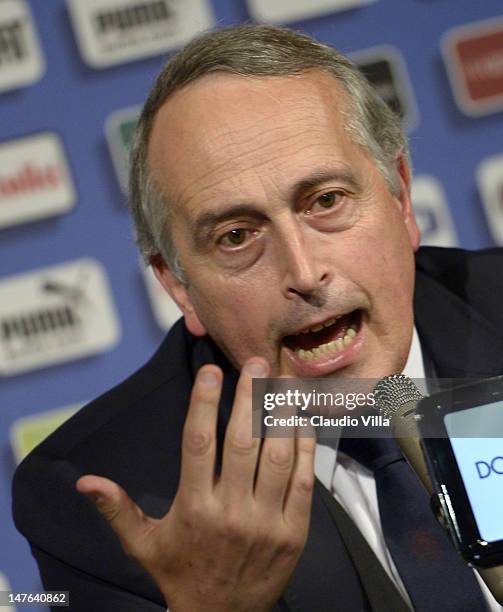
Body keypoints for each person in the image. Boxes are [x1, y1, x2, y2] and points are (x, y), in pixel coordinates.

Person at [12, 25, 503, 612]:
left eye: (325, 201)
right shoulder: (112, 496)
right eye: (236, 236)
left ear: (399, 198)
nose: (303, 271)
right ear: (177, 285)